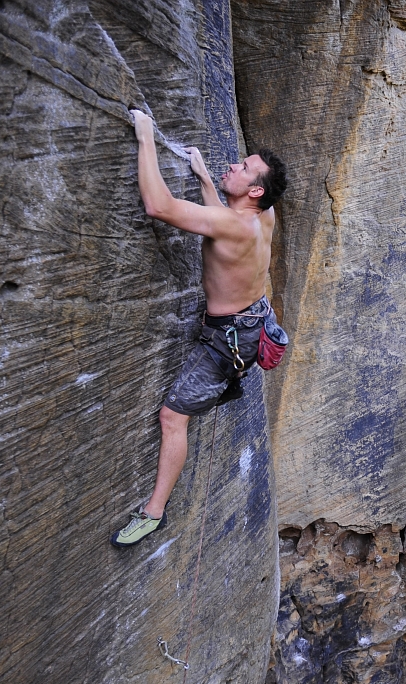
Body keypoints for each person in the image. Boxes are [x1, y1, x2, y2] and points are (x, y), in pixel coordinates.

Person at [112, 109, 288, 547]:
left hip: (229, 338)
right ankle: (223, 381)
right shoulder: (261, 216)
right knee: (186, 405)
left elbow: (159, 206)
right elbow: (226, 217)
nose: (235, 164)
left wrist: (146, 138)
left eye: (243, 167)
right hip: (251, 321)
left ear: (255, 190)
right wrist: (208, 178)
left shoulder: (234, 223)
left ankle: (154, 512)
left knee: (173, 417)